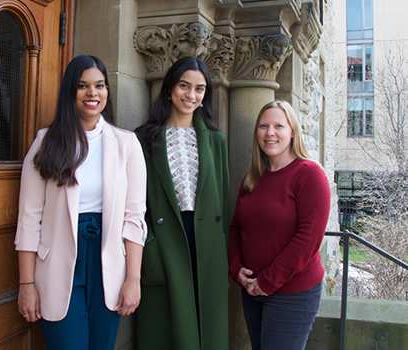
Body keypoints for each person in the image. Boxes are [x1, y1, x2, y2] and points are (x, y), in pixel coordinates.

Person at [14, 55, 147, 350]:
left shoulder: (126, 144)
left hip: (108, 262)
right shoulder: (45, 143)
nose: (92, 93)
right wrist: (26, 284)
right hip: (58, 263)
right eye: (83, 86)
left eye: (99, 86)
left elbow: (135, 218)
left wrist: (133, 279)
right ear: (70, 92)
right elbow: (29, 218)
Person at [134, 57, 230, 350]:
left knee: (206, 327)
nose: (191, 95)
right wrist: (148, 248)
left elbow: (224, 205)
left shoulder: (215, 140)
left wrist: (224, 261)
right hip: (164, 240)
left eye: (200, 89)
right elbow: (135, 203)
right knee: (165, 328)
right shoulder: (144, 139)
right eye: (184, 86)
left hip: (207, 244)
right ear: (169, 89)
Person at [228, 100, 331, 350]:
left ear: (292, 131)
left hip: (292, 293)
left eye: (278, 126)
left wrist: (267, 281)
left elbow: (307, 240)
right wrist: (236, 268)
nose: (269, 133)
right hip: (252, 291)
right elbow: (236, 228)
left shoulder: (309, 175)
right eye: (263, 126)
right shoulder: (252, 177)